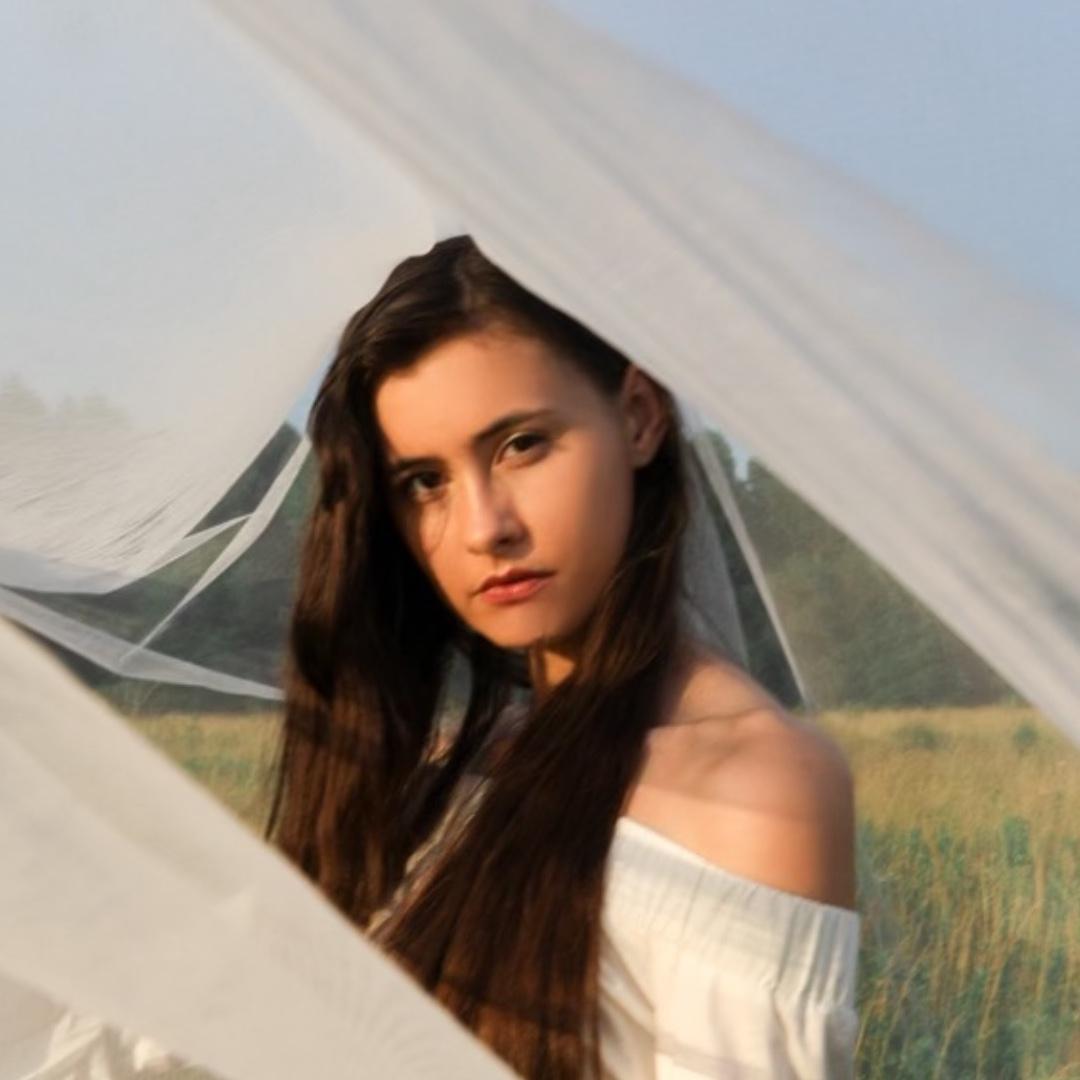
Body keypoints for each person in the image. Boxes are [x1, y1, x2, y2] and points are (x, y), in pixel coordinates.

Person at [267, 234, 860, 1079]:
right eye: (425, 482)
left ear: (639, 418)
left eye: (521, 445)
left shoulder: (753, 784)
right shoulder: (444, 768)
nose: (485, 529)